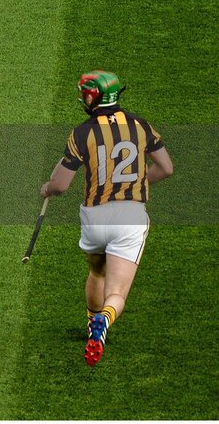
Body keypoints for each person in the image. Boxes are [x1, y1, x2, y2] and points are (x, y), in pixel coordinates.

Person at [39, 70, 172, 366]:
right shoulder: (140, 125)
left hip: (95, 218)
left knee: (97, 272)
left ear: (91, 97)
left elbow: (60, 186)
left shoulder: (81, 133)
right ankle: (104, 321)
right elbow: (166, 168)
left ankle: (92, 324)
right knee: (117, 293)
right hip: (129, 217)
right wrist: (137, 183)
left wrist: (46, 188)